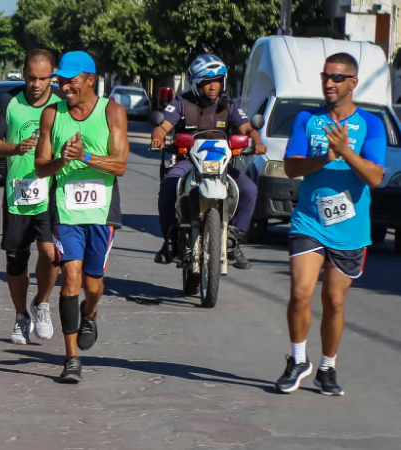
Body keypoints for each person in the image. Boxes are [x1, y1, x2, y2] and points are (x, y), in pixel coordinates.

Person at [275, 53, 385, 396]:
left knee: (334, 301)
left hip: (350, 229)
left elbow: (376, 176)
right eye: (326, 76)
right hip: (309, 221)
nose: (329, 83)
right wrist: (325, 157)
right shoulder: (307, 119)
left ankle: (327, 367)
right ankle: (297, 360)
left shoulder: (371, 124)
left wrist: (346, 152)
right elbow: (291, 168)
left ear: (353, 82)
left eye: (337, 77)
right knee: (300, 292)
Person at [34, 51, 129, 383]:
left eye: (70, 80)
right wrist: (62, 161)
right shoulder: (51, 115)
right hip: (65, 208)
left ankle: (90, 313)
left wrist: (86, 156)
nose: (64, 86)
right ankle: (71, 357)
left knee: (93, 284)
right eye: (61, 80)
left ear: (90, 79)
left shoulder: (112, 112)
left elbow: (120, 165)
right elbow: (40, 167)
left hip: (102, 210)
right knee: (70, 279)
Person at [151, 54, 266, 270]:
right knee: (168, 185)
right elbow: (163, 125)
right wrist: (157, 136)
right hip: (189, 162)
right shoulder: (181, 103)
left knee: (249, 190)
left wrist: (257, 142)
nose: (213, 87)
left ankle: (234, 239)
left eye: (217, 81)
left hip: (222, 165)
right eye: (206, 82)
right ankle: (169, 241)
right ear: (195, 84)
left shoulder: (230, 106)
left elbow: (248, 129)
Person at [0, 49, 63, 344]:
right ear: (24, 74)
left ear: (52, 76)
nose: (37, 84)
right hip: (18, 193)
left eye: (43, 78)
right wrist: (15, 148)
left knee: (51, 253)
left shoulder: (61, 105)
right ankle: (20, 315)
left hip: (51, 190)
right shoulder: (9, 101)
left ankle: (41, 303)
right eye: (31, 77)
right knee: (16, 260)